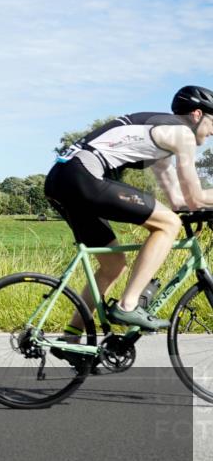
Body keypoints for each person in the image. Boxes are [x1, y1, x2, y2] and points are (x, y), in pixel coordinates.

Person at [45, 85, 213, 337]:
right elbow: (195, 196)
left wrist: (195, 209)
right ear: (197, 115)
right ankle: (128, 305)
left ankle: (72, 336)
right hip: (82, 175)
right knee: (168, 225)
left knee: (113, 265)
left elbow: (179, 201)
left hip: (63, 178)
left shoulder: (161, 136)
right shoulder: (183, 134)